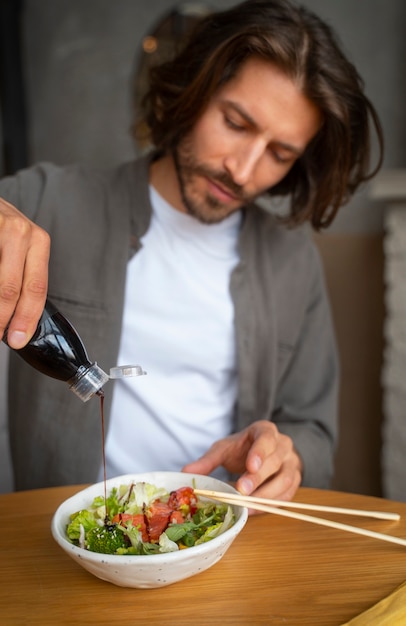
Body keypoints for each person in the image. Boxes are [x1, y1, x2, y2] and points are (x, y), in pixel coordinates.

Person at [0, 0, 383, 500]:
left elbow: (313, 432)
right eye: (236, 123)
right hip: (63, 551)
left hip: (219, 541)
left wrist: (289, 458)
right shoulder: (48, 201)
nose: (243, 171)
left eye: (279, 154)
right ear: (194, 91)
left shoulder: (293, 261)